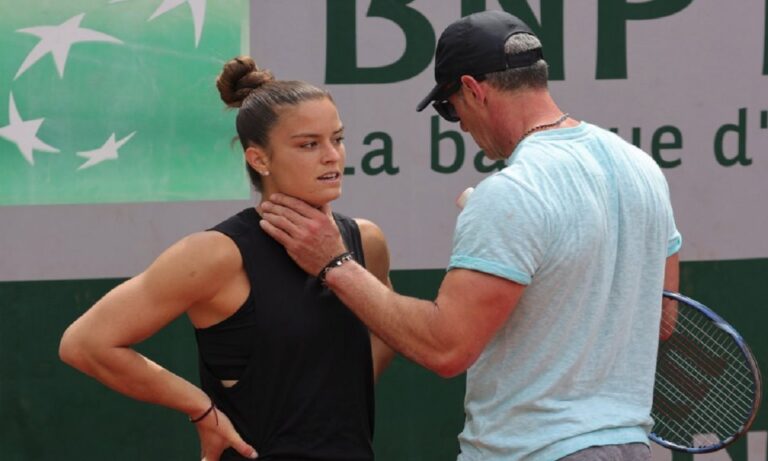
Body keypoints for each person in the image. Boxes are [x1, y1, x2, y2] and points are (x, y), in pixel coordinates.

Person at [257, 10, 682, 461]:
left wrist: (334, 262)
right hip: (627, 446)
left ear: (474, 90)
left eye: (449, 106)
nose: (458, 123)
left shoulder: (512, 193)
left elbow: (446, 348)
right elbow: (663, 319)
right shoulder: (642, 168)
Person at [59, 55, 394, 461]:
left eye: (337, 139)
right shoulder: (216, 254)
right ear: (259, 159)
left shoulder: (366, 241)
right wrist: (201, 409)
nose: (332, 156)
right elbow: (85, 343)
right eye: (309, 144)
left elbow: (388, 330)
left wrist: (333, 399)